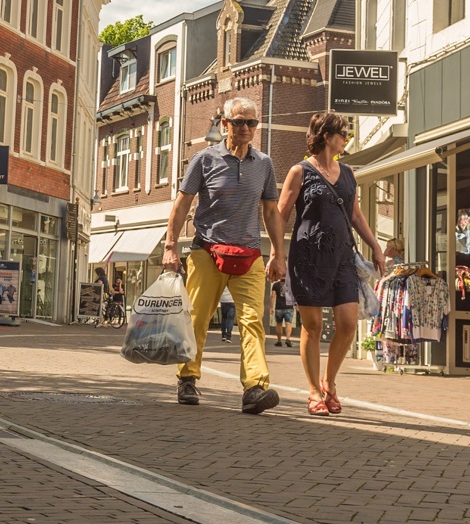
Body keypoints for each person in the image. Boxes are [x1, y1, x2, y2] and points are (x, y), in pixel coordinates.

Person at [163, 96, 286, 414]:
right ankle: (187, 378)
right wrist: (170, 246)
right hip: (207, 251)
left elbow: (271, 211)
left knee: (253, 322)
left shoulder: (264, 164)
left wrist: (278, 254)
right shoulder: (203, 159)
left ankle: (255, 389)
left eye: (251, 123)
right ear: (225, 124)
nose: (245, 128)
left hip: (249, 255)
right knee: (196, 319)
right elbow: (181, 205)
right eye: (239, 122)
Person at [277, 112, 385, 416]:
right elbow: (280, 215)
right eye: (343, 133)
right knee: (311, 326)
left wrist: (375, 246)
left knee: (348, 325)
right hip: (308, 259)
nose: (346, 139)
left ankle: (329, 382)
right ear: (326, 135)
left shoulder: (348, 173)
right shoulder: (300, 172)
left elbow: (356, 215)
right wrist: (276, 252)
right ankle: (313, 392)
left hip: (342, 259)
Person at [270, 275, 294, 347]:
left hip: (279, 307)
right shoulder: (291, 285)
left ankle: (279, 341)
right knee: (288, 323)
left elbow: (273, 296)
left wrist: (271, 307)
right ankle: (288, 339)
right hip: (289, 307)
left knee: (279, 324)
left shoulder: (276, 285)